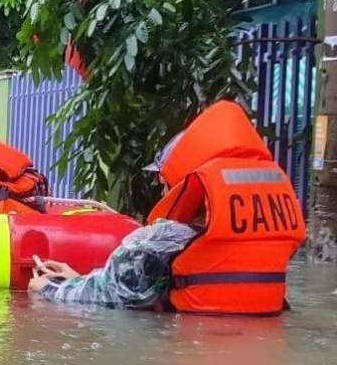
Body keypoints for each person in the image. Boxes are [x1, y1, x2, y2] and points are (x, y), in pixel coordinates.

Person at [29, 100, 304, 314]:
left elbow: (113, 297)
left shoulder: (159, 242)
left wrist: (52, 288)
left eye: (163, 179)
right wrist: (80, 279)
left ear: (182, 182)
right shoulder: (266, 236)